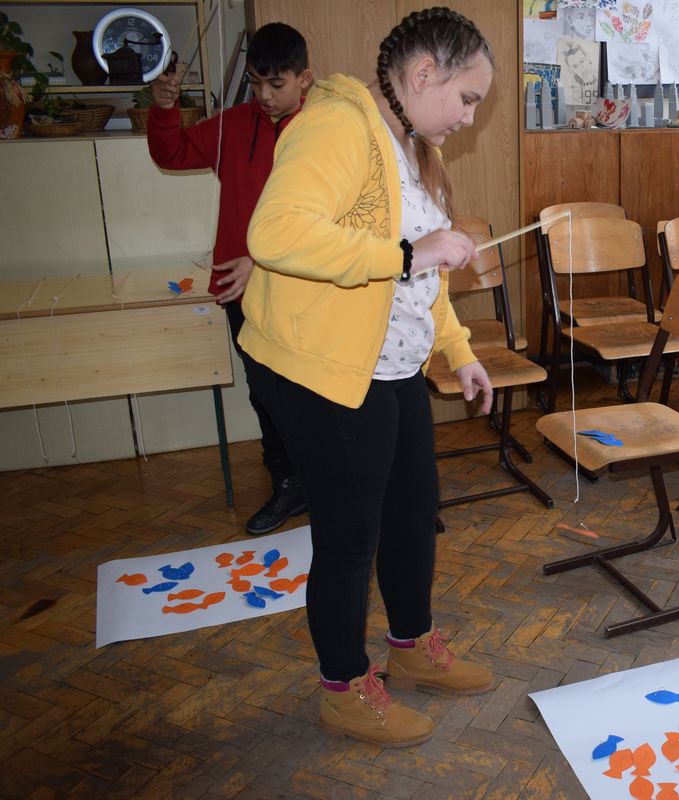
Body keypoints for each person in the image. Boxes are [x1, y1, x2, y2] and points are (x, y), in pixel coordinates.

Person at [239, 7, 496, 747]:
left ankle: (410, 646)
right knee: (350, 536)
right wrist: (410, 253)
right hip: (325, 370)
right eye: (466, 98)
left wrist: (459, 349)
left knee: (413, 513)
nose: (468, 118)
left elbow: (424, 277)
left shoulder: (411, 146)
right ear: (423, 74)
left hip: (392, 364)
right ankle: (344, 688)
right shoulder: (337, 125)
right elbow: (276, 232)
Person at [147, 23, 312, 536]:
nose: (263, 95)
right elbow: (171, 152)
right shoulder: (235, 124)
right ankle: (287, 482)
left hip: (308, 288)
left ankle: (324, 481)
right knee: (264, 391)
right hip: (242, 290)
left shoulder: (325, 130)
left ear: (304, 79)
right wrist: (165, 108)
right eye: (256, 82)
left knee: (312, 391)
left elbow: (332, 222)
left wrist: (266, 262)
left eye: (276, 84)